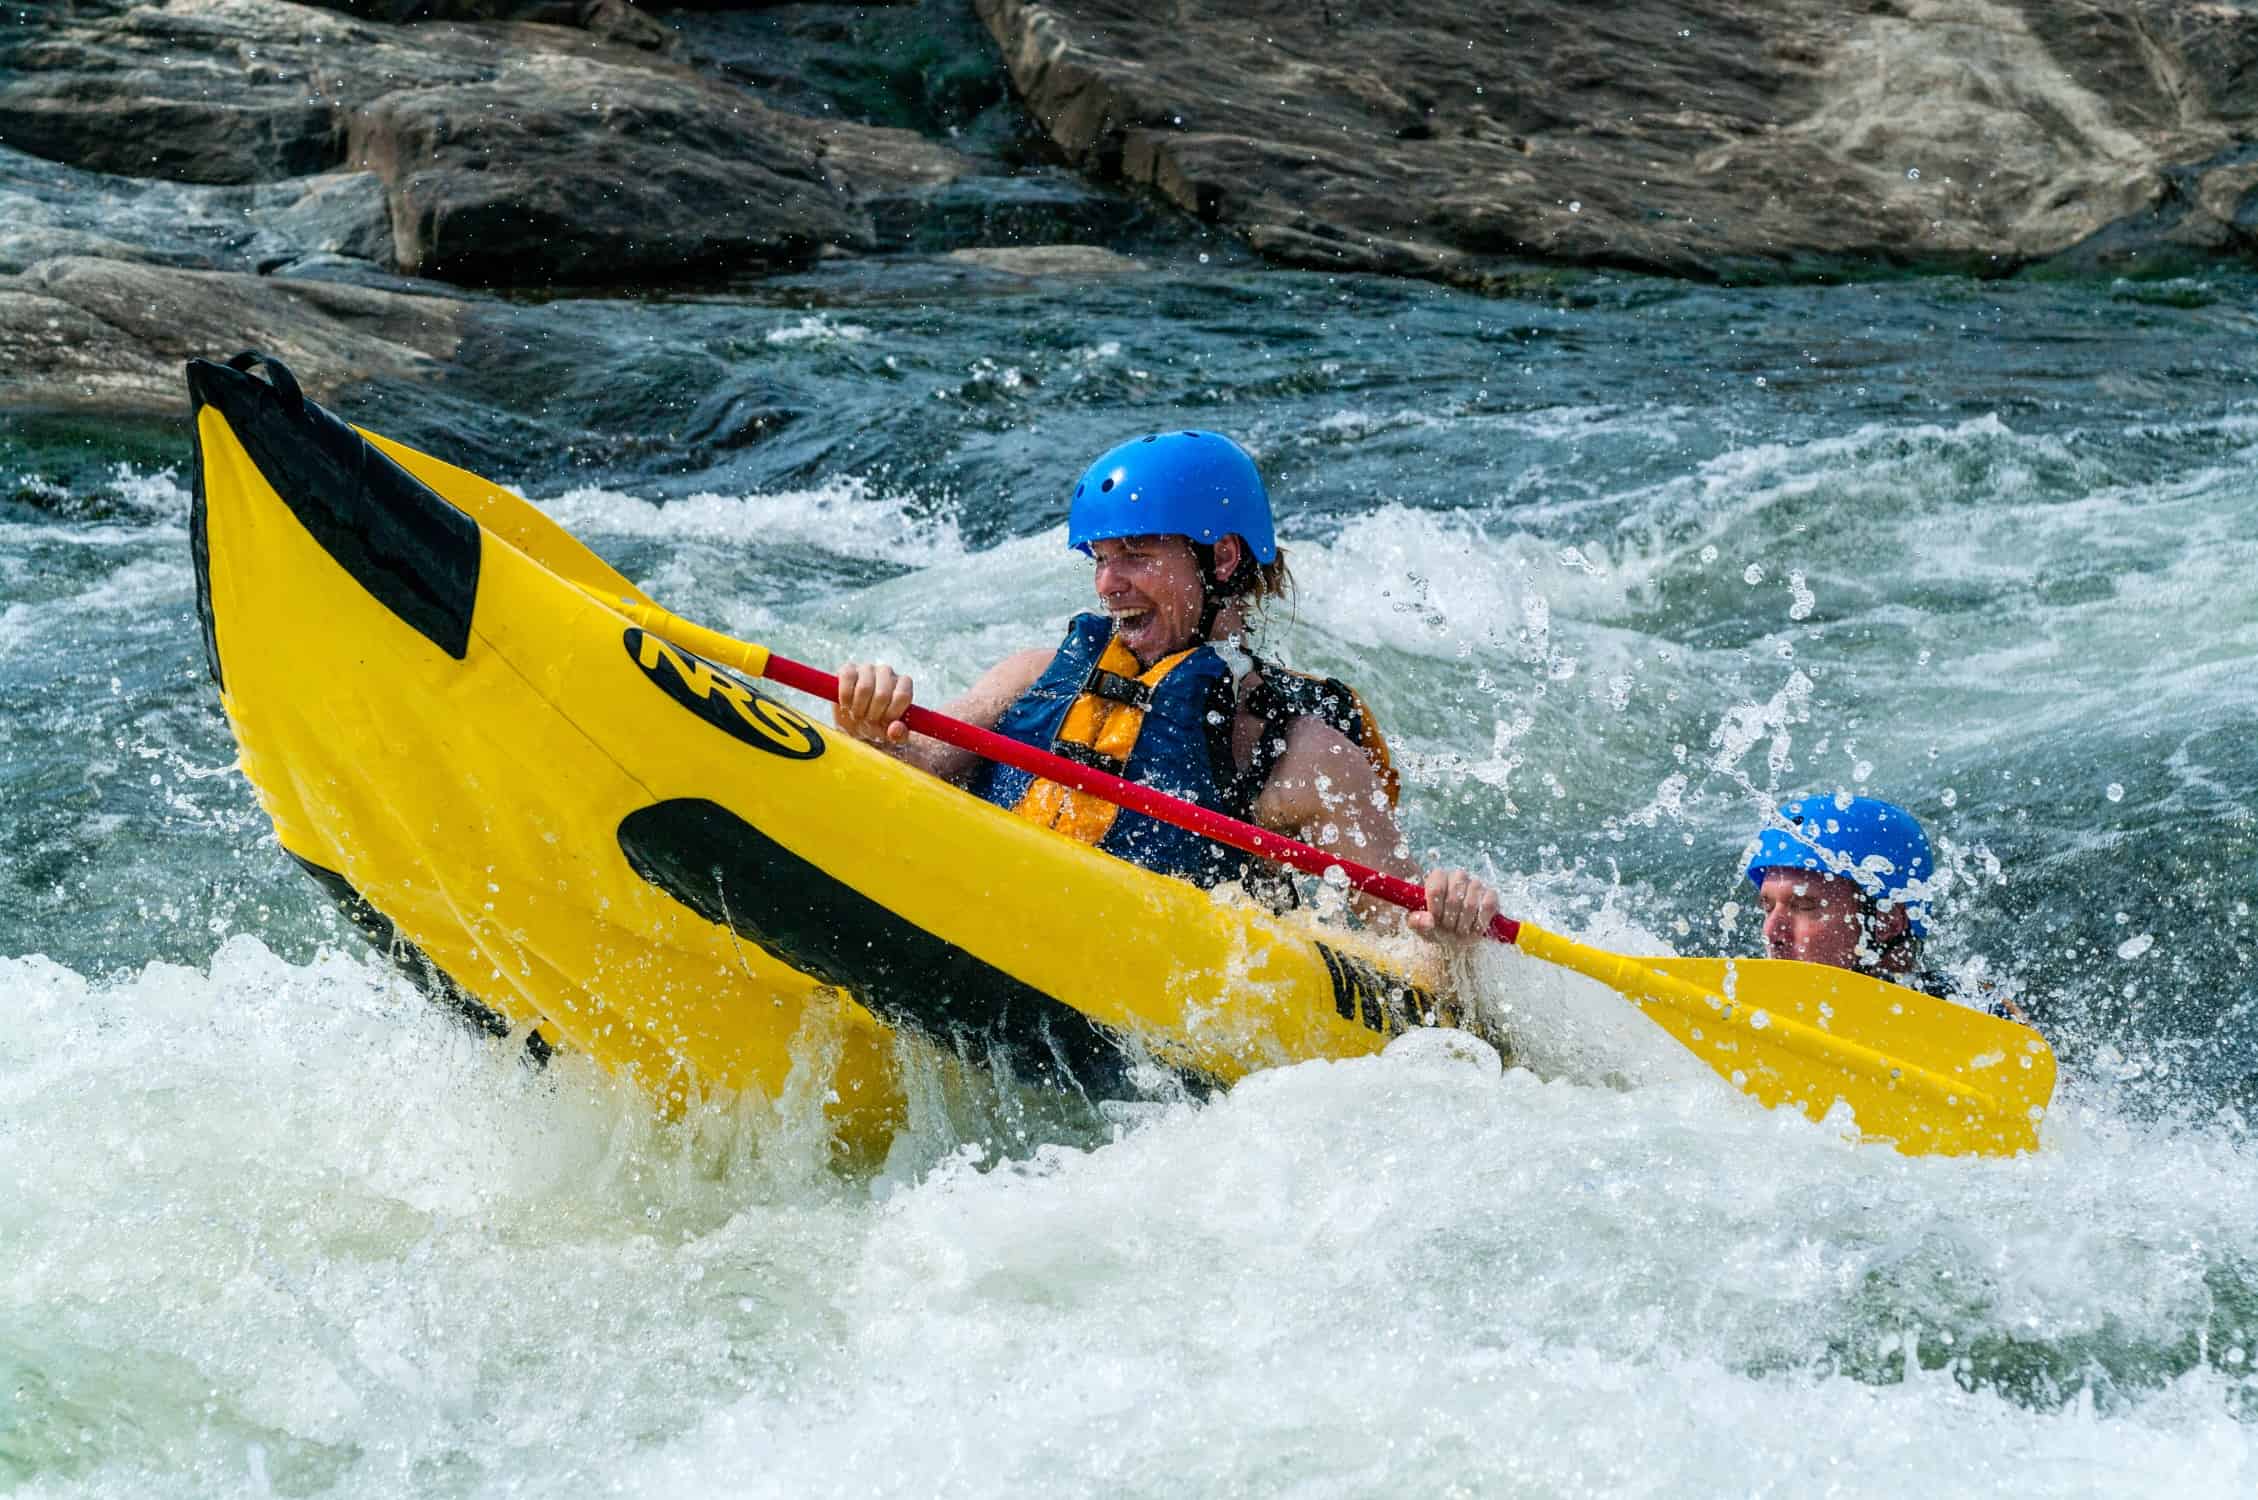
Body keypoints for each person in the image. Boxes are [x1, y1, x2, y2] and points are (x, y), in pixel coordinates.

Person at [833, 429, 1499, 944]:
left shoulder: (1300, 756)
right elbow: (908, 771)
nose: (1106, 585)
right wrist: (869, 723)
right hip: (978, 915)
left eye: (1137, 556)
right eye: (1100, 560)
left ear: (1224, 558)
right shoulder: (1031, 677)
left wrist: (1449, 925)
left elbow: (1411, 956)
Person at [1743, 793, 2031, 1023]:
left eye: (1804, 906)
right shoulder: (1747, 1007)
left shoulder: (1975, 1015)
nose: (1772, 932)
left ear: (1886, 921)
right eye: (1768, 908)